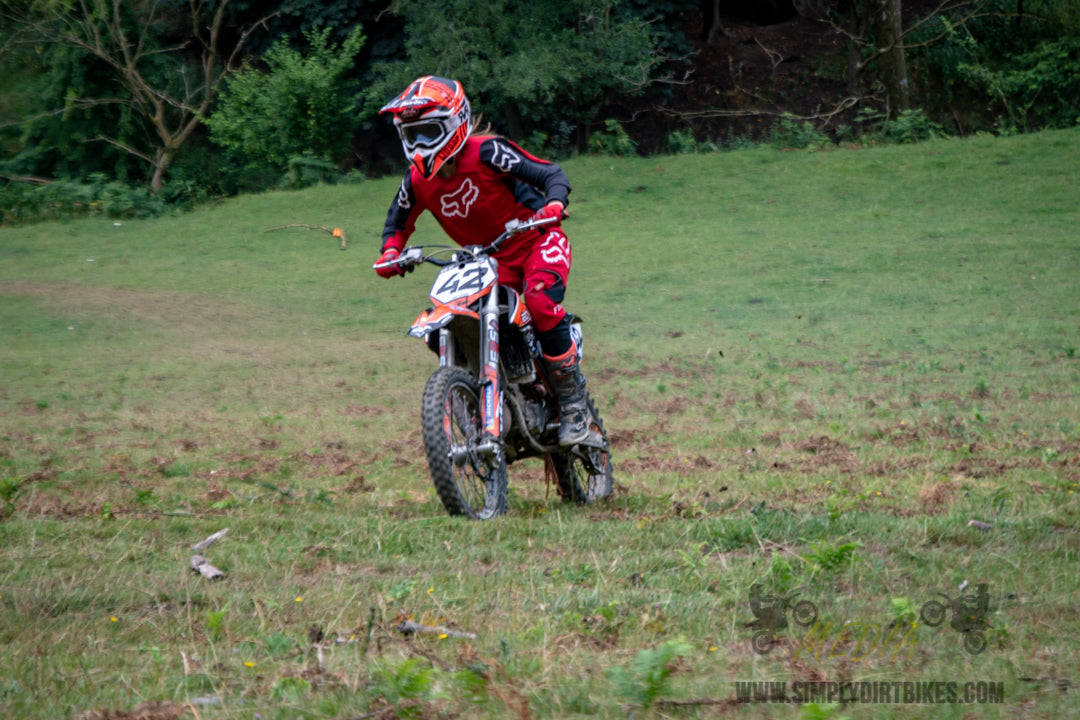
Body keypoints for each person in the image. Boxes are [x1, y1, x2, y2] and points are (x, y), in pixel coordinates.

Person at [375, 76, 590, 446]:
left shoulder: (488, 152)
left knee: (539, 301)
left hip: (537, 239)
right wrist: (392, 253)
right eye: (412, 136)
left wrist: (555, 203)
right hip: (487, 261)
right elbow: (397, 221)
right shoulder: (416, 180)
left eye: (429, 132)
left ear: (456, 122)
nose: (421, 146)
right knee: (446, 319)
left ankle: (573, 402)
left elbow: (550, 173)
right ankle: (485, 395)